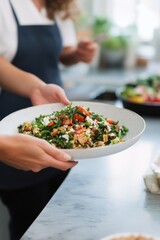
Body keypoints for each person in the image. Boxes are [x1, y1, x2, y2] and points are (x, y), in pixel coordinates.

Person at [0, 1, 98, 240]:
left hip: (52, 117)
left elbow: (61, 53)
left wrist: (39, 88)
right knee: (29, 221)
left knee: (60, 217)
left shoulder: (56, 6)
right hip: (12, 128)